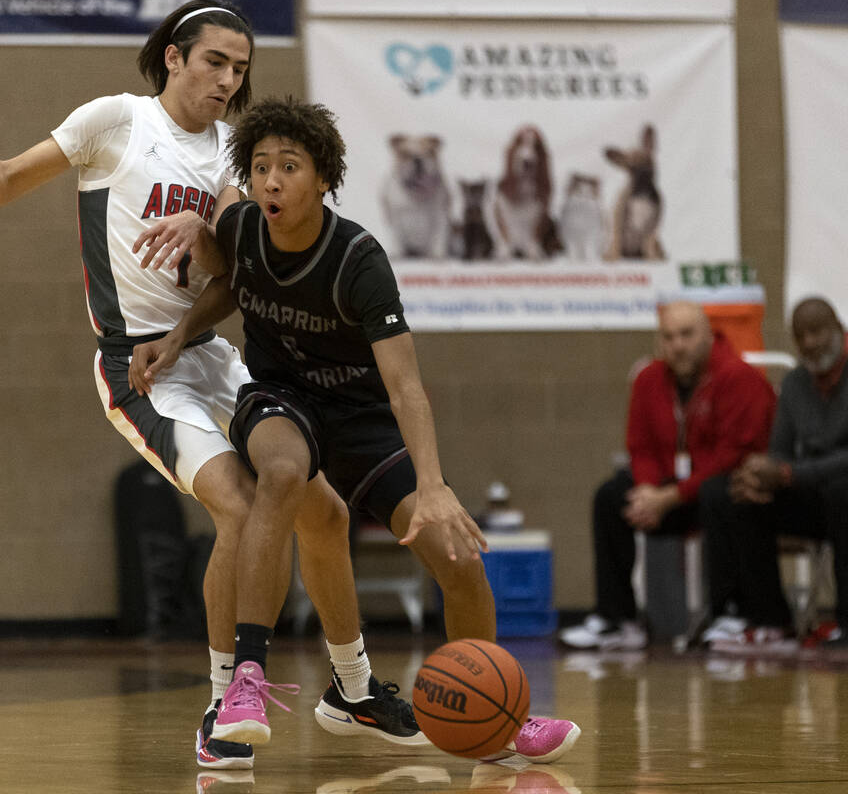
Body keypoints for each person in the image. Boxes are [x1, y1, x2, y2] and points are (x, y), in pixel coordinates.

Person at [0, 0, 424, 770]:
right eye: (216, 61)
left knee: (321, 510)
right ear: (175, 58)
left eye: (242, 68)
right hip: (136, 364)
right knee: (242, 505)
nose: (229, 79)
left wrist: (211, 242)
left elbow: (232, 280)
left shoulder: (232, 153)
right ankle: (225, 702)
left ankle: (351, 688)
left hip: (208, 352)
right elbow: (0, 185)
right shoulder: (113, 121)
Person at [130, 96, 580, 763]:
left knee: (458, 559)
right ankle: (246, 684)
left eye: (289, 166)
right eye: (260, 167)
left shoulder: (359, 261)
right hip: (279, 399)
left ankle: (499, 719)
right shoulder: (244, 227)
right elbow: (232, 284)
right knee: (280, 473)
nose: (272, 180)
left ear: (323, 178)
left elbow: (404, 386)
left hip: (362, 417)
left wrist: (431, 486)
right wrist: (178, 337)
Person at [559, 301, 775, 651]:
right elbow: (639, 446)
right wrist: (648, 493)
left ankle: (730, 614)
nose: (678, 344)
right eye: (669, 336)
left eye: (687, 334)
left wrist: (669, 498)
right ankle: (618, 619)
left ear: (708, 335)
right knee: (610, 496)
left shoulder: (738, 378)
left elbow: (730, 459)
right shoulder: (649, 379)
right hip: (667, 491)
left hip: (715, 493)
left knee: (721, 494)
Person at [700, 297, 848, 653]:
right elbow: (780, 449)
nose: (810, 342)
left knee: (843, 491)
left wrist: (785, 472)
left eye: (818, 332)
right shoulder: (796, 383)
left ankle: (845, 621)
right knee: (731, 492)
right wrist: (760, 473)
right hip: (810, 491)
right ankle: (768, 619)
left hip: (841, 493)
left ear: (839, 331)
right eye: (801, 336)